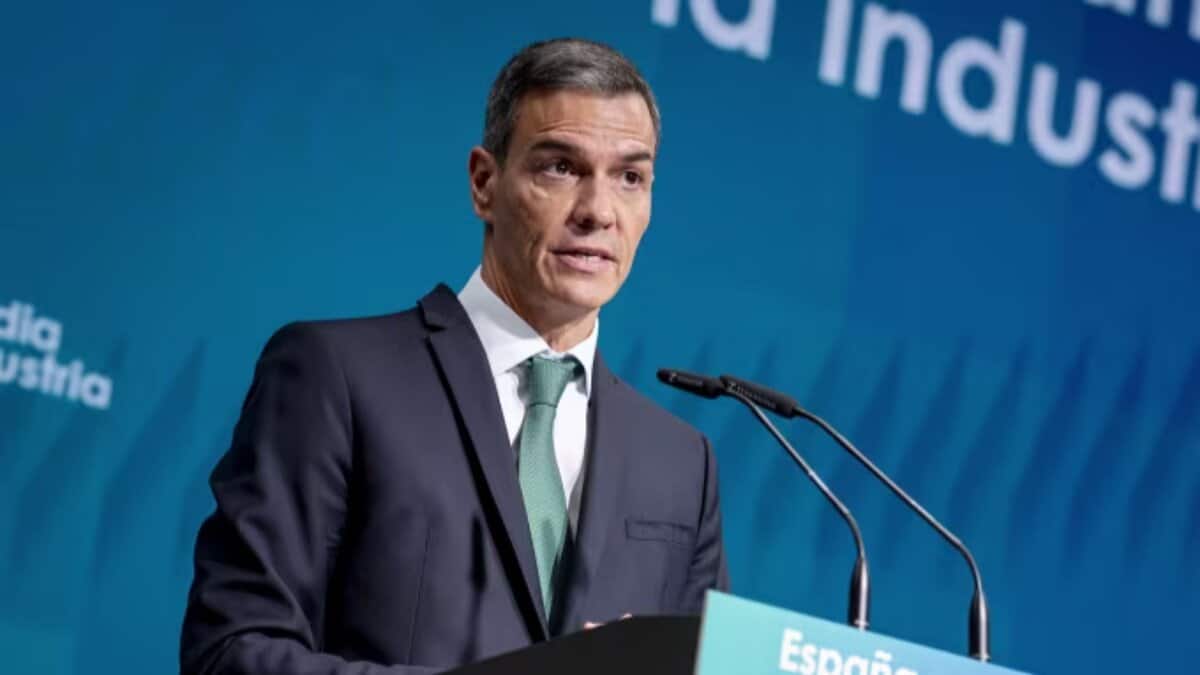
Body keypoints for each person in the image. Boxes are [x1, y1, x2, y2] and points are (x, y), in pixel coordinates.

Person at [180, 37, 729, 675]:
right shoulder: (338, 375)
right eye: (560, 168)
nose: (598, 212)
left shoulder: (682, 466)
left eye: (630, 178)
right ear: (484, 183)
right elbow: (231, 653)